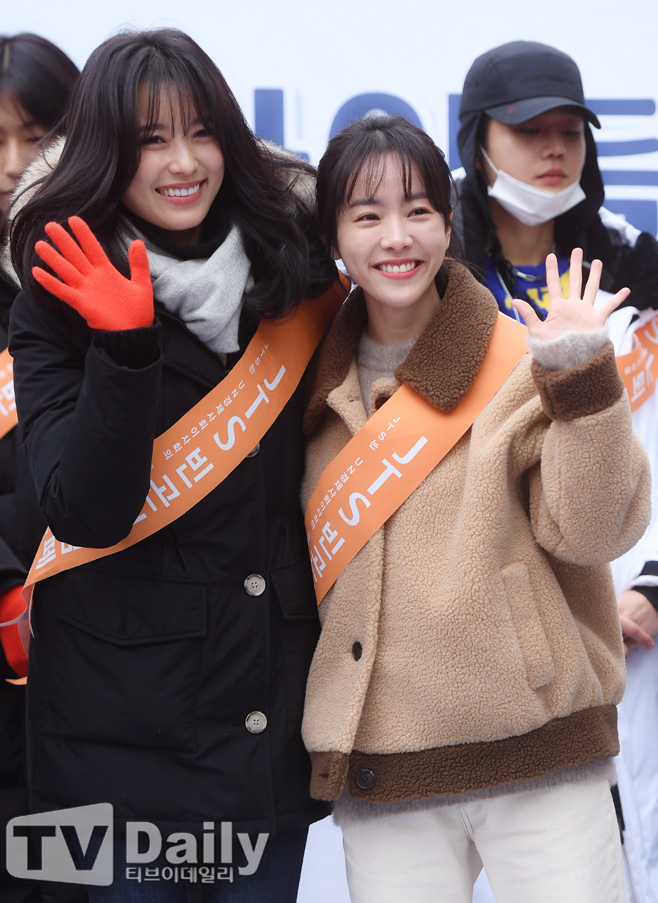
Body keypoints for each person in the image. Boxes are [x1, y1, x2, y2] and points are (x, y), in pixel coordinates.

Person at [7, 27, 338, 902]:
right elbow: (83, 510)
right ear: (108, 152)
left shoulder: (298, 274)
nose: (184, 162)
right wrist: (122, 352)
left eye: (201, 132)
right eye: (151, 140)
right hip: (112, 759)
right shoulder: (51, 298)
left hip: (264, 734)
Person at [299, 113, 651, 903]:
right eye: (368, 215)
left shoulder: (520, 358)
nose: (397, 236)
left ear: (449, 223)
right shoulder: (308, 392)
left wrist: (583, 373)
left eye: (419, 210)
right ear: (333, 238)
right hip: (387, 770)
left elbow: (596, 530)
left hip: (541, 759)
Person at [452, 40, 658, 903]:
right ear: (476, 141)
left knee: (614, 854)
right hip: (476, 623)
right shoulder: (430, 277)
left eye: (570, 130)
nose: (554, 149)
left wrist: (654, 584)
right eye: (529, 129)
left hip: (629, 620)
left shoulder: (640, 264)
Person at [0, 32, 79, 903]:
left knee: (62, 881)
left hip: (96, 671)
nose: (17, 166)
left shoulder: (118, 273)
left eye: (40, 135)